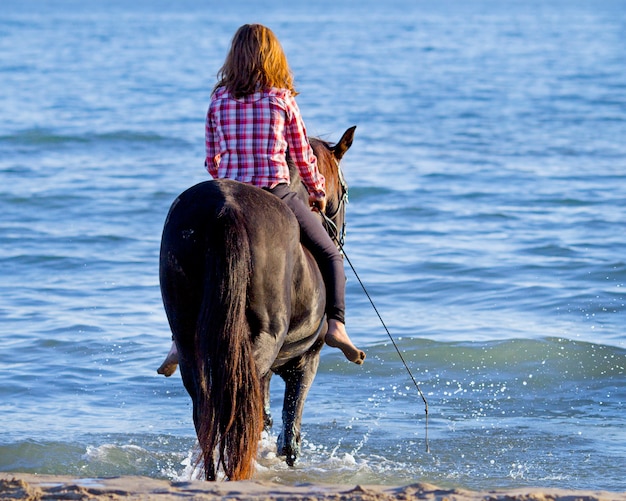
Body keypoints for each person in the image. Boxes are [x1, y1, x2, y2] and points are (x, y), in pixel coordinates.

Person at [158, 24, 364, 376]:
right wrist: (315, 190)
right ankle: (336, 327)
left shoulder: (218, 99)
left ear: (233, 58)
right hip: (275, 192)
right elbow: (302, 157)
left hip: (231, 192)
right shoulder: (282, 99)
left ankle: (178, 341)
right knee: (330, 253)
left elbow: (212, 161)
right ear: (273, 58)